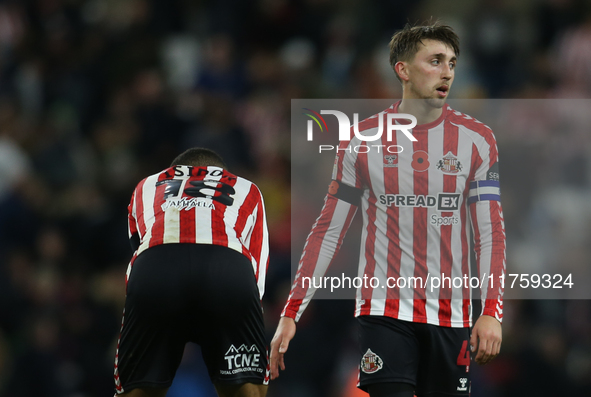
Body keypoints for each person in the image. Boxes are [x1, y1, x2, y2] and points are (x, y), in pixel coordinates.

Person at [270, 22, 506, 397]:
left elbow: (490, 232)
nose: (447, 72)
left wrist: (491, 311)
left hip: (452, 313)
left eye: (452, 63)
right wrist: (291, 312)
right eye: (435, 60)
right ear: (403, 70)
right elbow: (328, 229)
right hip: (384, 311)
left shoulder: (477, 140)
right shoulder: (361, 141)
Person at [113, 147, 270, 397]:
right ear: (221, 173)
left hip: (157, 267)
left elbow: (138, 254)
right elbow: (257, 268)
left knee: (136, 389)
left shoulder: (145, 186)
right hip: (226, 268)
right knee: (249, 390)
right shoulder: (247, 188)